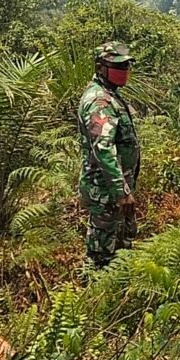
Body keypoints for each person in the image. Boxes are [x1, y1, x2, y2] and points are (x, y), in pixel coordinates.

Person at [77, 42, 141, 268]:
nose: (124, 71)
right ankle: (95, 297)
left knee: (123, 246)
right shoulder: (100, 101)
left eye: (126, 66)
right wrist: (121, 190)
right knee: (102, 253)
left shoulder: (111, 95)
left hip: (116, 188)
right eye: (118, 66)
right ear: (100, 67)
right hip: (106, 191)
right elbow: (103, 148)